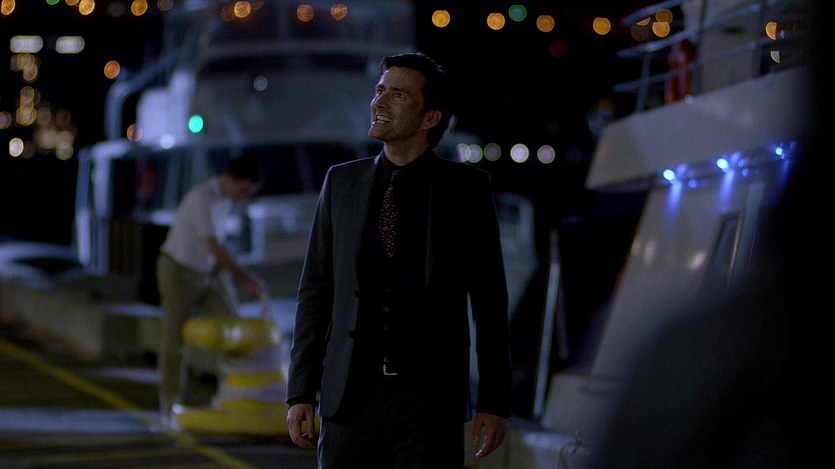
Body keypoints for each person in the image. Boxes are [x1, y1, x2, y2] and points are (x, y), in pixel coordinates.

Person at [285, 52, 512, 468]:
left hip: (429, 403)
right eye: (379, 91)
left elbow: (490, 303)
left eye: (399, 95)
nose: (379, 103)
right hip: (349, 399)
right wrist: (300, 391)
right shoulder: (342, 182)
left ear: (430, 118)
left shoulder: (466, 190)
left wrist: (494, 401)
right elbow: (315, 291)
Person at [156, 155, 264, 424]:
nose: (243, 197)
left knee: (234, 326)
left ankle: (239, 393)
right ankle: (170, 403)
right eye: (244, 190)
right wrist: (245, 278)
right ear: (233, 180)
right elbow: (213, 245)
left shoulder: (225, 201)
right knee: (174, 339)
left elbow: (218, 248)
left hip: (208, 272)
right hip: (179, 272)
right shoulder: (202, 197)